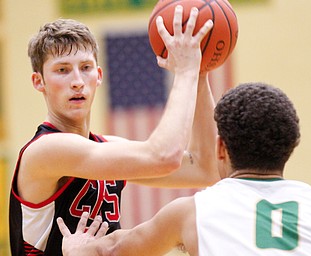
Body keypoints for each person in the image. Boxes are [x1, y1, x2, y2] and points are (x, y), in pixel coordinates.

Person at [9, 6, 219, 256]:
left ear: (98, 75)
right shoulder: (45, 150)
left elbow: (206, 168)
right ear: (39, 82)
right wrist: (185, 72)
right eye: (62, 70)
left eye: (85, 67)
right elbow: (163, 156)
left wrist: (200, 71)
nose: (77, 80)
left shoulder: (102, 146)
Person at [58, 82, 311, 255]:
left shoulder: (192, 212)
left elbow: (111, 249)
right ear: (290, 147)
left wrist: (75, 249)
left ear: (220, 148)